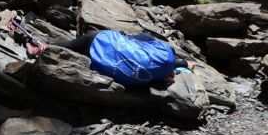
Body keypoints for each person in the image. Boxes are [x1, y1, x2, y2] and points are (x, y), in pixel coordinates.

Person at [47, 30, 194, 85]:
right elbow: (178, 64)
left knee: (73, 44)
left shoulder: (161, 51)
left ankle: (47, 45)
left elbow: (138, 40)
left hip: (99, 40)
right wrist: (185, 64)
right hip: (101, 62)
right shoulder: (161, 72)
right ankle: (48, 46)